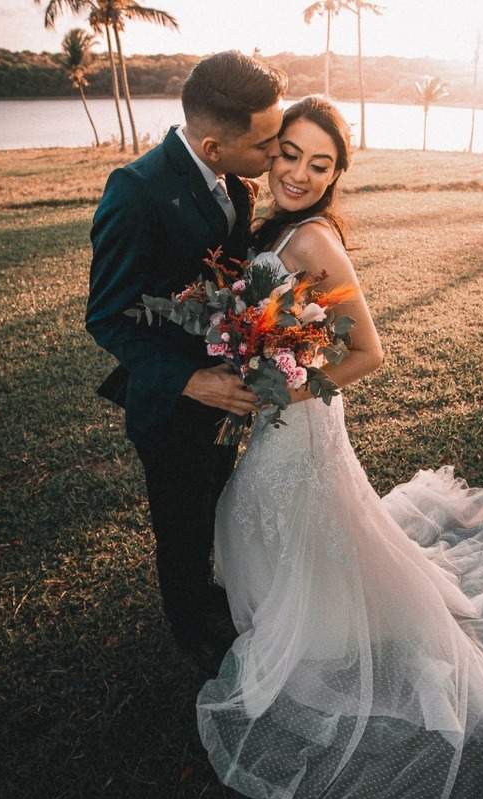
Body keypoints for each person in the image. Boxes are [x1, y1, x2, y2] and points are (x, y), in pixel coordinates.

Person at [196, 96, 483, 799]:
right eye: (290, 154)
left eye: (321, 165)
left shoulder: (315, 241)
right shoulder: (273, 226)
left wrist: (279, 390)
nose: (299, 174)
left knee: (301, 514)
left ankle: (328, 623)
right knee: (273, 509)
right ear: (270, 151)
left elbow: (369, 353)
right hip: (283, 411)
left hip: (302, 416)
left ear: (336, 175)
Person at [86, 51, 287, 673]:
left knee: (217, 500)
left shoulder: (234, 180)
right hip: (171, 407)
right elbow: (108, 315)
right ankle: (190, 626)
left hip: (230, 392)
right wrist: (193, 381)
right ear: (213, 145)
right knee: (180, 521)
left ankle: (216, 590)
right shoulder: (136, 192)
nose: (276, 153)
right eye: (266, 143)